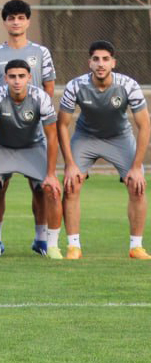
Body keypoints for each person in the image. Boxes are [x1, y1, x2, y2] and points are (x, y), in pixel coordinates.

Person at [58, 40, 149, 259]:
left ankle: (136, 247)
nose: (101, 64)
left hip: (119, 138)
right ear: (89, 62)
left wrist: (136, 167)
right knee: (71, 184)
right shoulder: (75, 86)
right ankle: (73, 246)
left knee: (137, 186)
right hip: (86, 137)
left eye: (105, 59)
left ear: (113, 63)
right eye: (96, 59)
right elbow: (62, 125)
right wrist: (70, 164)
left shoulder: (129, 85)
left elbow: (145, 125)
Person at [0, 0, 56, 255]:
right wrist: (7, 114)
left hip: (33, 136)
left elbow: (48, 89)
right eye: (11, 18)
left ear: (28, 22)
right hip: (2, 136)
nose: (16, 22)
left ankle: (41, 239)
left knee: (41, 189)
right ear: (4, 22)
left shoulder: (41, 53)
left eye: (21, 18)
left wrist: (31, 114)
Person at [0, 59, 62, 260]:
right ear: (5, 78)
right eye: (12, 77)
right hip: (2, 147)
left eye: (21, 76)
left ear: (29, 77)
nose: (17, 81)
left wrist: (51, 174)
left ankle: (49, 244)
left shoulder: (40, 97)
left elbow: (52, 137)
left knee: (52, 190)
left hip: (33, 147)